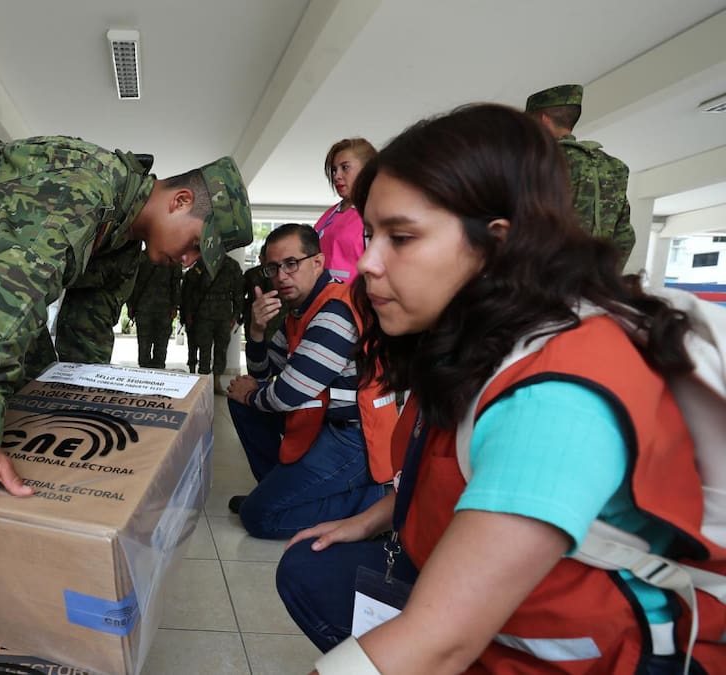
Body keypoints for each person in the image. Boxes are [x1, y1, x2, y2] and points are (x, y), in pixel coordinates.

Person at [294, 103, 724, 674]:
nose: (367, 262)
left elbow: (439, 641)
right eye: (370, 233)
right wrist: (376, 518)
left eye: (400, 237)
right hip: (514, 619)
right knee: (311, 567)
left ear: (495, 245)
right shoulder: (478, 336)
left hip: (604, 656)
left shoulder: (557, 396)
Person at [0, 136, 252, 554]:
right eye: (196, 244)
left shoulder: (124, 246)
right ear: (179, 200)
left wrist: (76, 420)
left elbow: (87, 333)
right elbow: (1, 293)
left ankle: (23, 521)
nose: (188, 259)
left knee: (33, 392)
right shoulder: (83, 187)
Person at [224, 223, 386, 540]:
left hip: (352, 440)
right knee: (243, 403)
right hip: (319, 426)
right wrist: (256, 331)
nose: (281, 275)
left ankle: (373, 505)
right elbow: (264, 373)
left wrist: (251, 395)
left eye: (291, 264)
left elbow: (285, 394)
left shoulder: (333, 312)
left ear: (318, 262)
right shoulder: (302, 311)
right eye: (273, 267)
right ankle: (277, 492)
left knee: (258, 519)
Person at [526, 84, 635, 269]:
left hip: (546, 280)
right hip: (592, 282)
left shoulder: (540, 162)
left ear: (543, 120)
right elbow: (625, 237)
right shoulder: (615, 167)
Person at [311, 138, 376, 283]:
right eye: (334, 170)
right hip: (323, 299)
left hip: (356, 300)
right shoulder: (329, 215)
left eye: (345, 167)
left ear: (367, 169)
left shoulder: (375, 212)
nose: (336, 176)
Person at [181, 255, 244, 390]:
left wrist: (236, 315)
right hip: (203, 313)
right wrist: (188, 312)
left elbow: (239, 291)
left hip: (224, 314)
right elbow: (190, 287)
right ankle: (203, 381)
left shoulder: (232, 265)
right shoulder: (202, 263)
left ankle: (216, 382)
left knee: (221, 349)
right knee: (204, 348)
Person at [127, 255, 182, 368]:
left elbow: (132, 284)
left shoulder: (141, 257)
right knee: (160, 349)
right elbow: (176, 286)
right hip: (163, 309)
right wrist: (174, 307)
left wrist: (131, 306)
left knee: (144, 347)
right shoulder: (172, 259)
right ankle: (156, 377)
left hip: (144, 308)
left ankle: (146, 377)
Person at [240, 241, 287, 344]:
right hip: (254, 317)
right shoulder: (251, 274)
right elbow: (240, 296)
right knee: (254, 344)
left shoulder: (280, 274)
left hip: (278, 318)